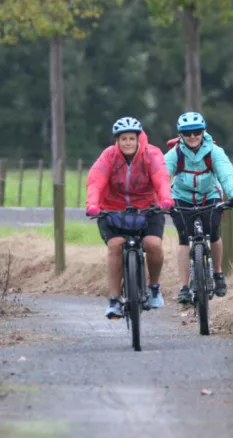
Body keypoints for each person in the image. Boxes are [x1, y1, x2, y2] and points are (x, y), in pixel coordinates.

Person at [86, 116, 175, 319]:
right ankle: (115, 300)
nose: (127, 142)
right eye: (123, 139)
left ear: (138, 139)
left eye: (131, 138)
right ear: (117, 140)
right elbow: (96, 180)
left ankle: (154, 288)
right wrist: (92, 204)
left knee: (152, 244)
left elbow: (161, 178)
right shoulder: (108, 156)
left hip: (147, 209)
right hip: (112, 210)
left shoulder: (151, 154)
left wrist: (165, 199)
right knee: (116, 245)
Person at [164, 112, 233, 304]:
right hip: (181, 197)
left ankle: (217, 273)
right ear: (180, 135)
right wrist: (159, 199)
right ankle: (184, 286)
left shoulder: (214, 151)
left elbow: (226, 173)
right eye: (187, 133)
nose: (192, 137)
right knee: (184, 239)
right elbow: (161, 176)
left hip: (210, 195)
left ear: (203, 132)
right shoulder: (175, 153)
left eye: (197, 132)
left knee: (213, 233)